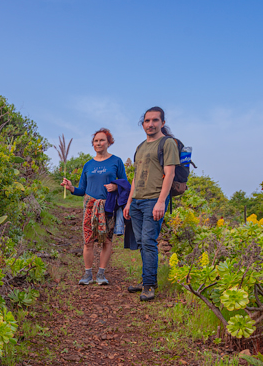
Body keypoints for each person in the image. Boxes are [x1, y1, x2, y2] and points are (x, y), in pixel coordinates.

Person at [124, 107, 178, 301]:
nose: (151, 124)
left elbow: (170, 173)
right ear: (143, 123)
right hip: (137, 200)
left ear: (162, 123)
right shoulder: (140, 147)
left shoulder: (167, 143)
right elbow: (135, 177)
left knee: (148, 241)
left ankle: (149, 285)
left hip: (154, 199)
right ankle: (147, 280)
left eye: (155, 120)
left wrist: (161, 201)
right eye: (147, 121)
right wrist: (129, 202)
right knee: (141, 243)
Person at [62, 128, 127, 285]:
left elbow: (125, 184)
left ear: (109, 142)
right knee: (88, 241)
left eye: (102, 140)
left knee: (106, 240)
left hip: (108, 206)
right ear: (93, 144)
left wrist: (116, 187)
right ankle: (88, 274)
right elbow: (82, 190)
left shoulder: (116, 161)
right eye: (96, 141)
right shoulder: (88, 165)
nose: (99, 143)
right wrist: (71, 188)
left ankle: (101, 274)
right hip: (90, 207)